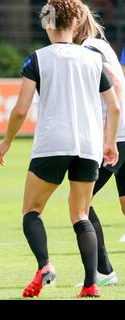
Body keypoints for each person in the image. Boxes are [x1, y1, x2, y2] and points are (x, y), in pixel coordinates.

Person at [0, 0, 120, 298]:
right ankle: (90, 284)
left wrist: (6, 141)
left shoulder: (37, 58)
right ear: (76, 23)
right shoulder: (92, 59)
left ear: (46, 23)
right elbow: (114, 105)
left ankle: (44, 265)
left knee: (31, 210)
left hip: (51, 144)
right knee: (80, 214)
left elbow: (20, 111)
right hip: (88, 146)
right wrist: (110, 142)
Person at [72, 4, 124, 286]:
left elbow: (115, 82)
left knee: (80, 202)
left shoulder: (89, 49)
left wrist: (108, 133)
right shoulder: (100, 45)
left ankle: (103, 271)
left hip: (116, 137)